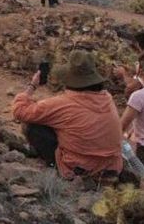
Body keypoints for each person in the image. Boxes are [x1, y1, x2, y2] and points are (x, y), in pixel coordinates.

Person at [12, 50, 123, 180]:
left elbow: (19, 111)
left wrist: (32, 86)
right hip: (112, 167)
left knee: (32, 125)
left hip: (80, 169)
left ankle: (54, 167)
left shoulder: (63, 103)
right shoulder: (107, 97)